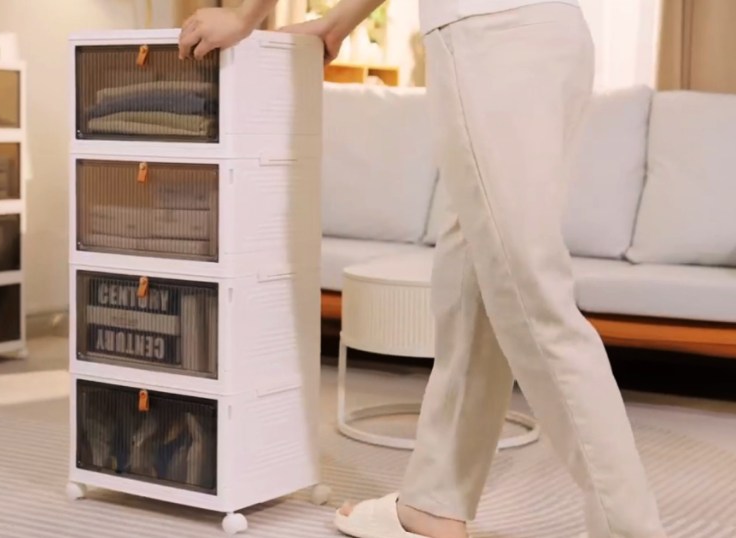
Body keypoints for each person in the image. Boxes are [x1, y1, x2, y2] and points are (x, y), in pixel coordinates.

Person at [178, 1, 668, 537]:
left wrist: (246, 16)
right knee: (472, 279)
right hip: (550, 35)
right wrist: (339, 23)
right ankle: (435, 500)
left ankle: (631, 527)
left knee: (529, 295)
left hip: (489, 34)